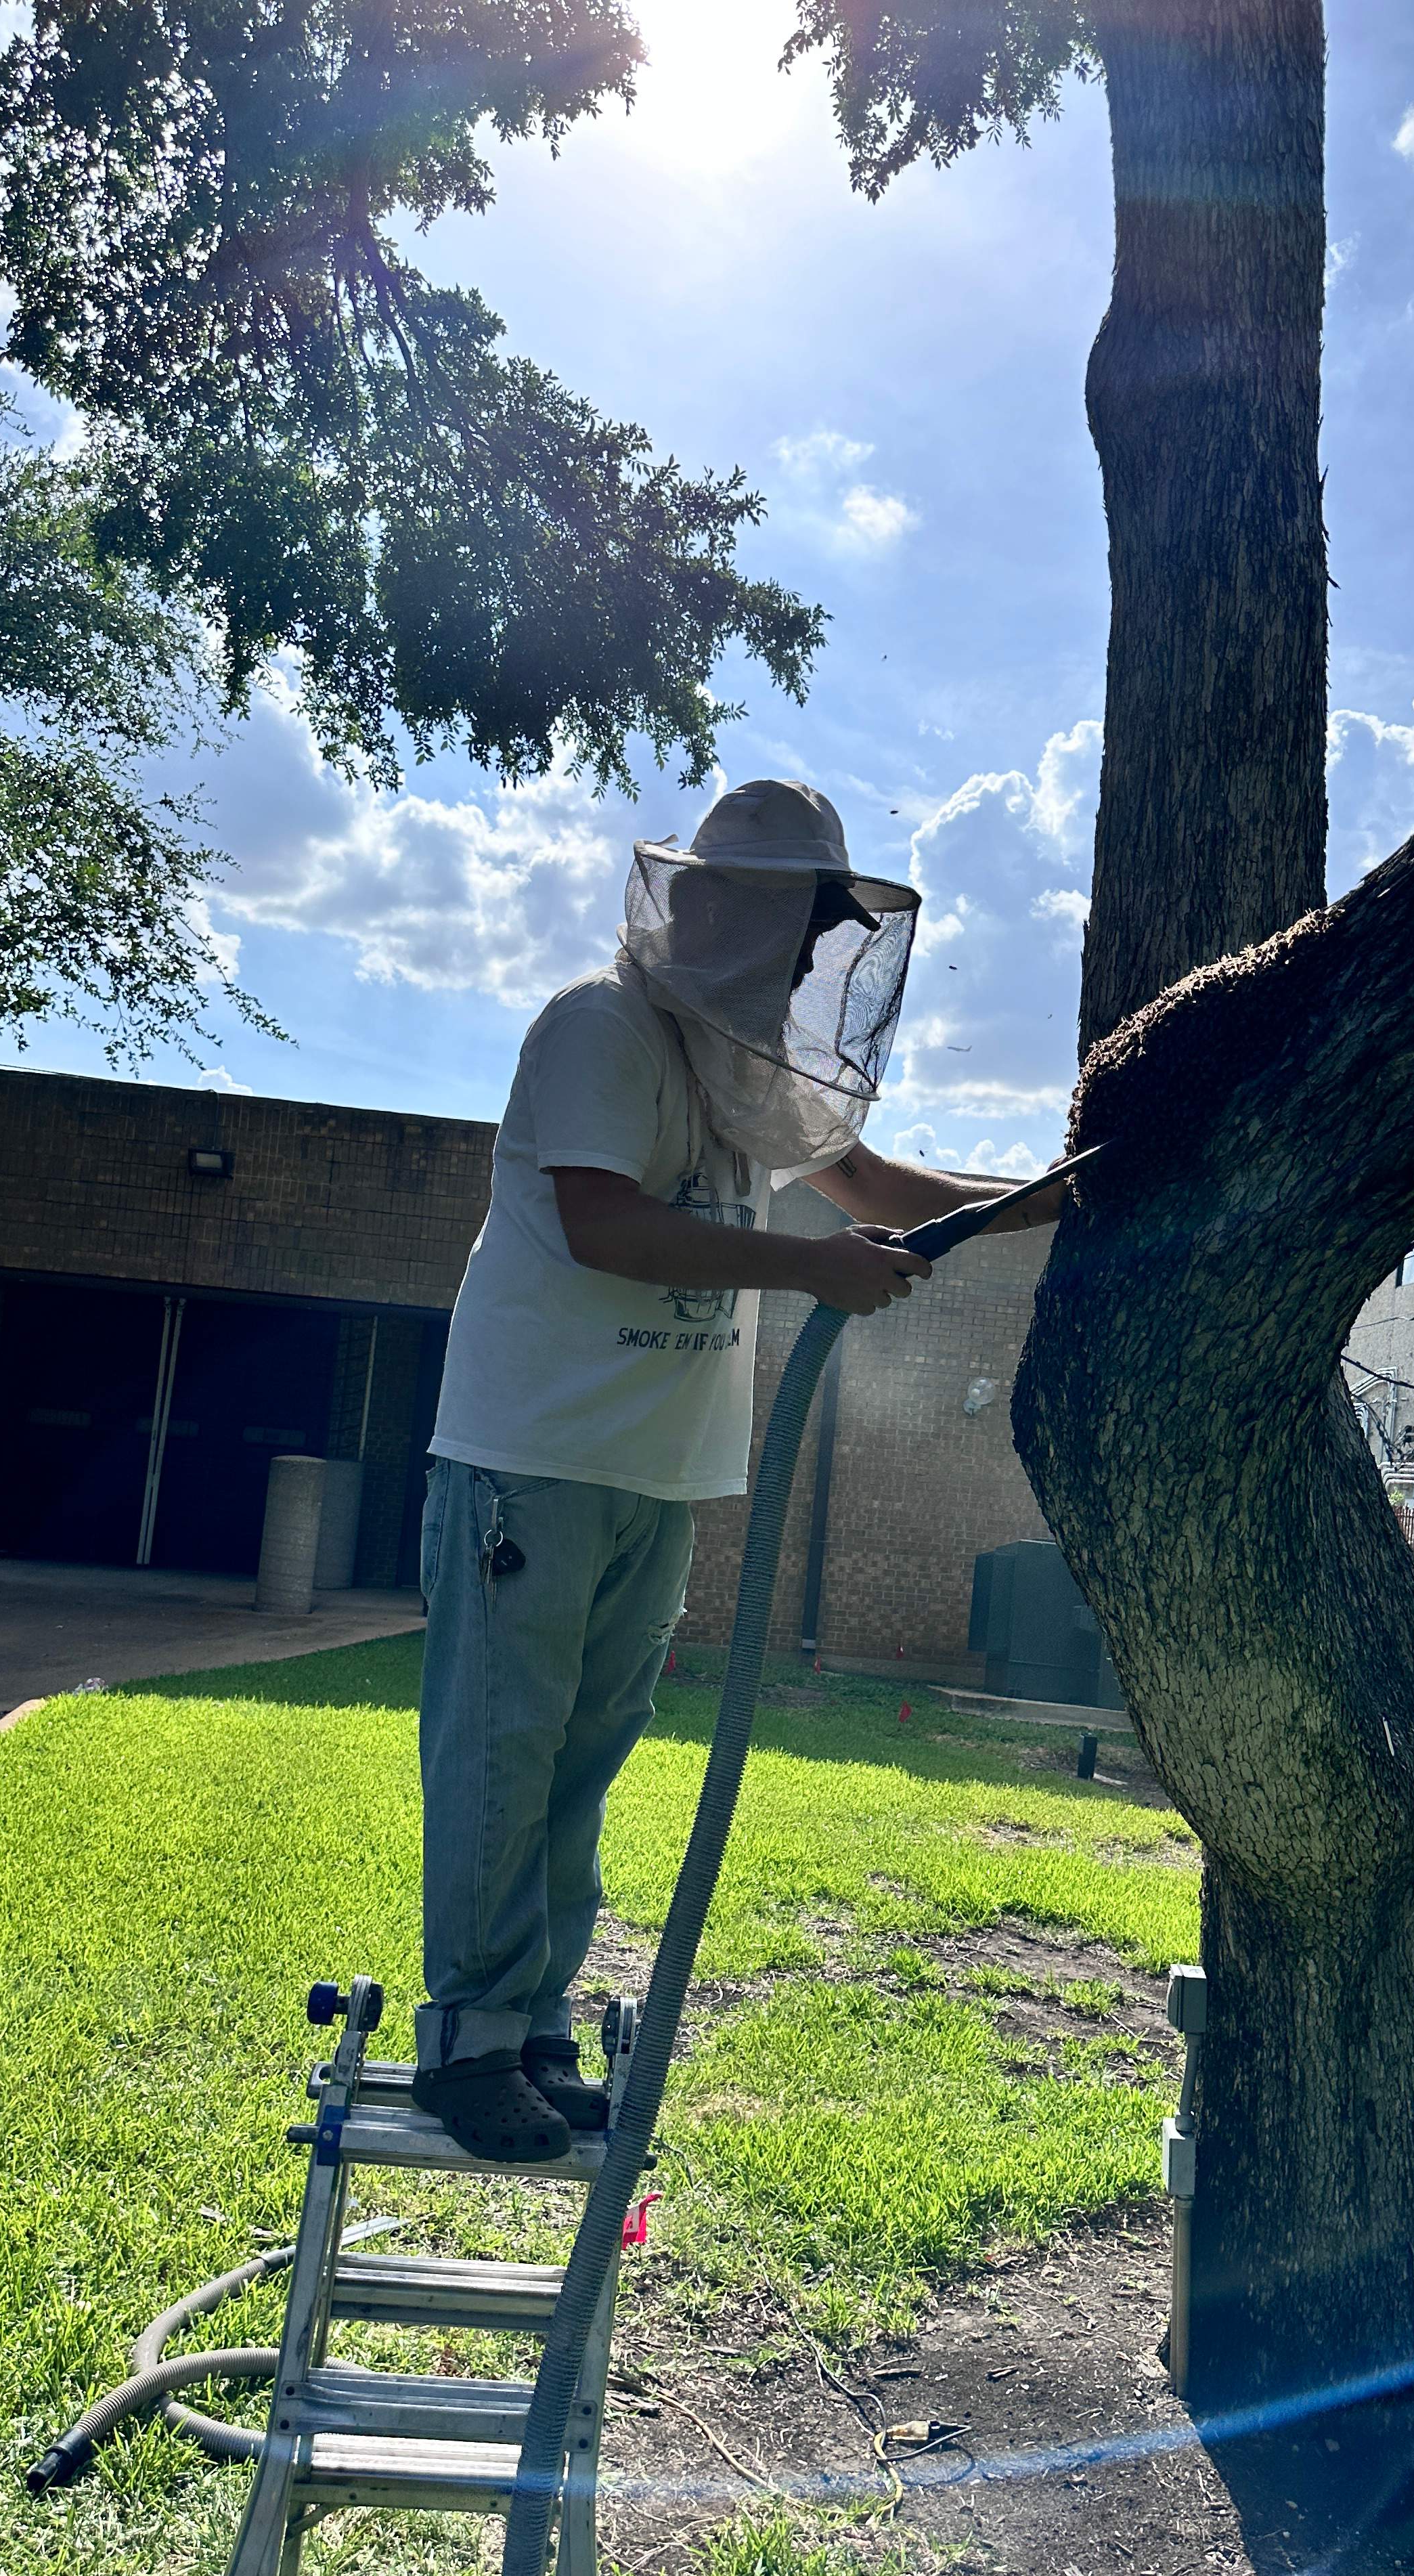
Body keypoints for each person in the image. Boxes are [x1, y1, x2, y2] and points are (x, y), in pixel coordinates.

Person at [414, 779, 1063, 2160]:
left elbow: (879, 1195)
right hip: (534, 1459)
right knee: (503, 1753)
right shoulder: (603, 1029)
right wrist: (811, 1270)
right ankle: (467, 2045)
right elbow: (602, 1223)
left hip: (652, 1472)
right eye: (775, 917)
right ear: (697, 906)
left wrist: (1049, 1194)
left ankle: (528, 2029)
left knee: (579, 1764)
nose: (796, 954)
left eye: (814, 929)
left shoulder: (740, 1071)